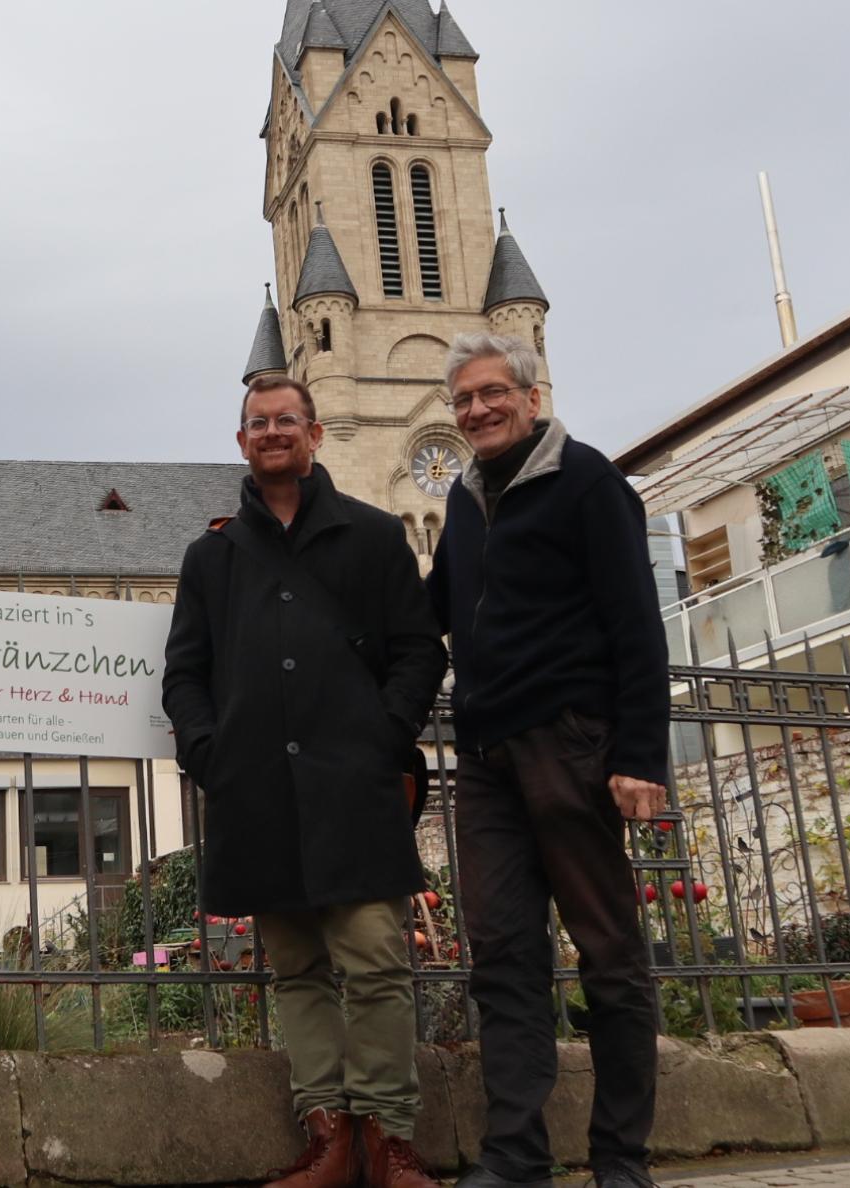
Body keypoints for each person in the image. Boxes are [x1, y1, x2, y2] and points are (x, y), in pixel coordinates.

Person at [164, 373, 448, 1188]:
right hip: (256, 792)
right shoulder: (211, 556)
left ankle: (388, 1141)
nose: (272, 431)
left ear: (314, 435)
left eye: (287, 419)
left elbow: (419, 651)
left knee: (377, 960)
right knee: (296, 969)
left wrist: (385, 735)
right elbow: (185, 676)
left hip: (356, 788)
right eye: (257, 422)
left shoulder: (369, 535)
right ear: (242, 442)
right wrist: (210, 755)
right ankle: (327, 1139)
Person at [425, 333, 669, 1188]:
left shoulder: (588, 481)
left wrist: (640, 754)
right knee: (502, 956)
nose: (478, 410)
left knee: (608, 953)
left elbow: (637, 622)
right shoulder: (462, 499)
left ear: (532, 397)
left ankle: (620, 1158)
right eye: (463, 400)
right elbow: (432, 615)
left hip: (572, 742)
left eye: (493, 394)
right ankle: (515, 1156)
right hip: (486, 758)